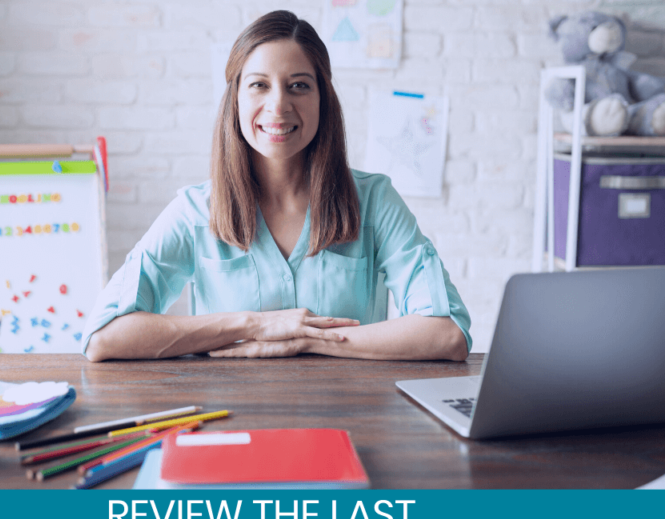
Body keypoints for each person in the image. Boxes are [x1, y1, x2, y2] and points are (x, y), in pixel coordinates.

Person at [82, 10, 471, 362]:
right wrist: (252, 325)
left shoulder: (374, 201)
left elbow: (447, 333)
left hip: (352, 426)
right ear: (235, 99)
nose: (279, 104)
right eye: (259, 85)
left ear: (323, 99)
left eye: (299, 85)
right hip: (231, 425)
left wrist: (306, 338)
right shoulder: (195, 211)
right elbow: (104, 336)